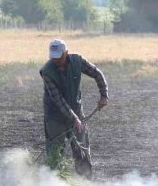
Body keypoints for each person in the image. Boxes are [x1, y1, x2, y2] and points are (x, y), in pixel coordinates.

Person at [40, 39, 109, 178]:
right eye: (53, 57)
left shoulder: (78, 61)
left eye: (59, 57)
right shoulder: (46, 71)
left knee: (81, 149)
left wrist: (104, 95)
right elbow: (58, 99)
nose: (56, 61)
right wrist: (75, 118)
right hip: (55, 116)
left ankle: (85, 183)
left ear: (66, 53)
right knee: (55, 152)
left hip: (76, 110)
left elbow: (97, 74)